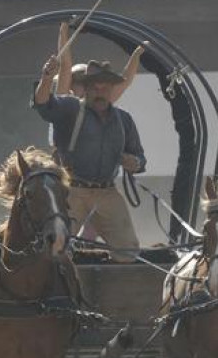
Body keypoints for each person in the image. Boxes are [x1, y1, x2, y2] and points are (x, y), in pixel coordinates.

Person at [33, 55, 146, 262]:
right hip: (71, 191)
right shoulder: (71, 108)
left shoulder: (124, 120)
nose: (100, 93)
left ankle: (112, 279)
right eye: (95, 87)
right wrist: (47, 78)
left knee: (129, 252)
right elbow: (43, 104)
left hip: (107, 192)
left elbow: (139, 157)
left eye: (105, 88)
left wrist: (134, 163)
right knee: (55, 249)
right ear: (86, 89)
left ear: (112, 90)